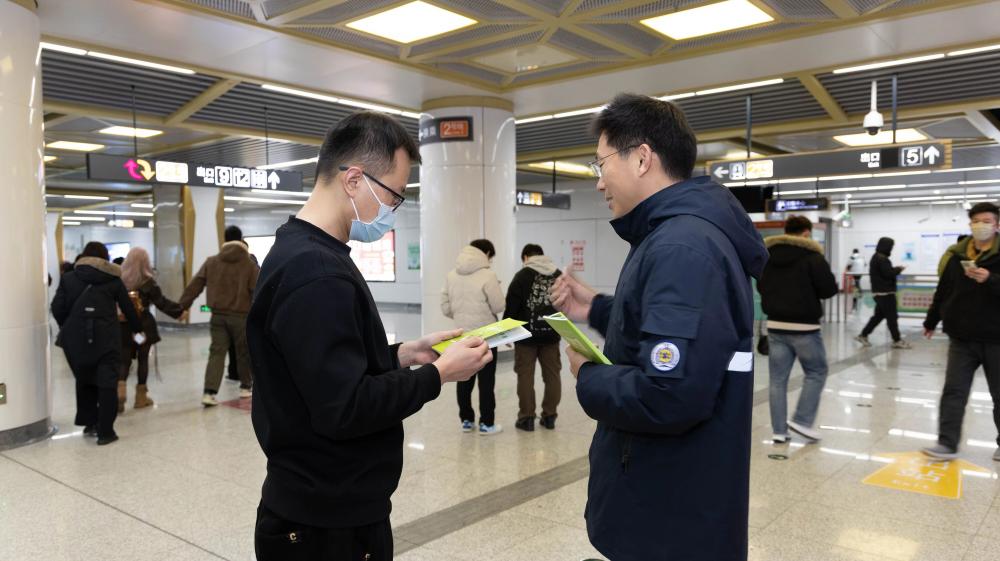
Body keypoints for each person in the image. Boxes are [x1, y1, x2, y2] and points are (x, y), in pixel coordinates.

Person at [246, 111, 492, 560]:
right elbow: (345, 408)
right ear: (354, 179)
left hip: (323, 503)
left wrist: (403, 355)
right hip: (324, 524)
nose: (393, 209)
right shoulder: (317, 271)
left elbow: (321, 371)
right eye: (394, 194)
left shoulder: (303, 252)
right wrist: (438, 374)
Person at [550, 93, 767, 561]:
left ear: (642, 158)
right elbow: (665, 330)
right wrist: (598, 309)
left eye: (601, 163)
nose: (599, 181)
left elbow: (668, 396)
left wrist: (589, 374)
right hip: (673, 499)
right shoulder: (674, 236)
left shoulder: (681, 247)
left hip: (669, 513)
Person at [921, 202, 1000, 461]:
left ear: (997, 225)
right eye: (976, 221)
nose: (981, 226)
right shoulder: (956, 256)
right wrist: (931, 321)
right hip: (962, 336)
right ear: (970, 224)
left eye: (987, 221)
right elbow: (944, 290)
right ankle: (947, 443)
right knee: (954, 391)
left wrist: (990, 279)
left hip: (996, 337)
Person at [51, 241, 143, 446]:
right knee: (107, 382)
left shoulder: (69, 278)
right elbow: (128, 309)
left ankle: (90, 423)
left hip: (76, 340)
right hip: (106, 338)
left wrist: (70, 325)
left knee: (84, 379)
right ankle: (106, 432)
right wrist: (138, 330)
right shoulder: (113, 280)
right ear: (105, 258)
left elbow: (57, 307)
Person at [758, 216, 839, 443]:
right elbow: (829, 290)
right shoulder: (813, 257)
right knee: (816, 372)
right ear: (806, 233)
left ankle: (779, 431)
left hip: (775, 325)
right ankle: (802, 420)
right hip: (805, 327)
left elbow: (761, 286)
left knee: (777, 380)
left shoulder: (768, 257)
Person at [179, 225, 259, 405]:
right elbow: (257, 291)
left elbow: (195, 285)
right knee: (243, 352)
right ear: (241, 239)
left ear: (224, 239)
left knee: (216, 352)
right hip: (241, 317)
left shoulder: (212, 262)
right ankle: (245, 387)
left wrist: (182, 307)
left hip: (217, 317)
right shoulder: (249, 265)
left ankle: (209, 392)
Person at [441, 239, 506, 435]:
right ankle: (486, 423)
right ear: (487, 253)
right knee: (486, 382)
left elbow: (445, 306)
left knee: (463, 378)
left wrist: (461, 317)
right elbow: (499, 306)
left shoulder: (451, 275)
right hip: (487, 336)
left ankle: (467, 421)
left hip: (462, 335)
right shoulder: (488, 275)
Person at [117, 247, 185, 412]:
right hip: (144, 327)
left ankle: (119, 393)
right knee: (143, 360)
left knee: (124, 360)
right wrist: (179, 312)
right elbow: (161, 303)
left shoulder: (119, 281)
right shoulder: (148, 283)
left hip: (124, 326)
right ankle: (141, 398)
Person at [504, 243, 563, 431]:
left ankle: (527, 418)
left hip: (525, 337)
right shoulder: (558, 275)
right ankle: (550, 416)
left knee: (525, 377)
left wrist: (506, 333)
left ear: (525, 257)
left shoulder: (522, 276)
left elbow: (511, 307)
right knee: (552, 376)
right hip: (552, 335)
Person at [856, 237, 911, 349]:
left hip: (879, 292)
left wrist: (894, 269)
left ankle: (863, 335)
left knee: (878, 316)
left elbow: (885, 272)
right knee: (892, 317)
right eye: (891, 246)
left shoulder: (876, 257)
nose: (891, 249)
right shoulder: (882, 259)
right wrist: (898, 269)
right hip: (885, 293)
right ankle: (897, 340)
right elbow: (888, 274)